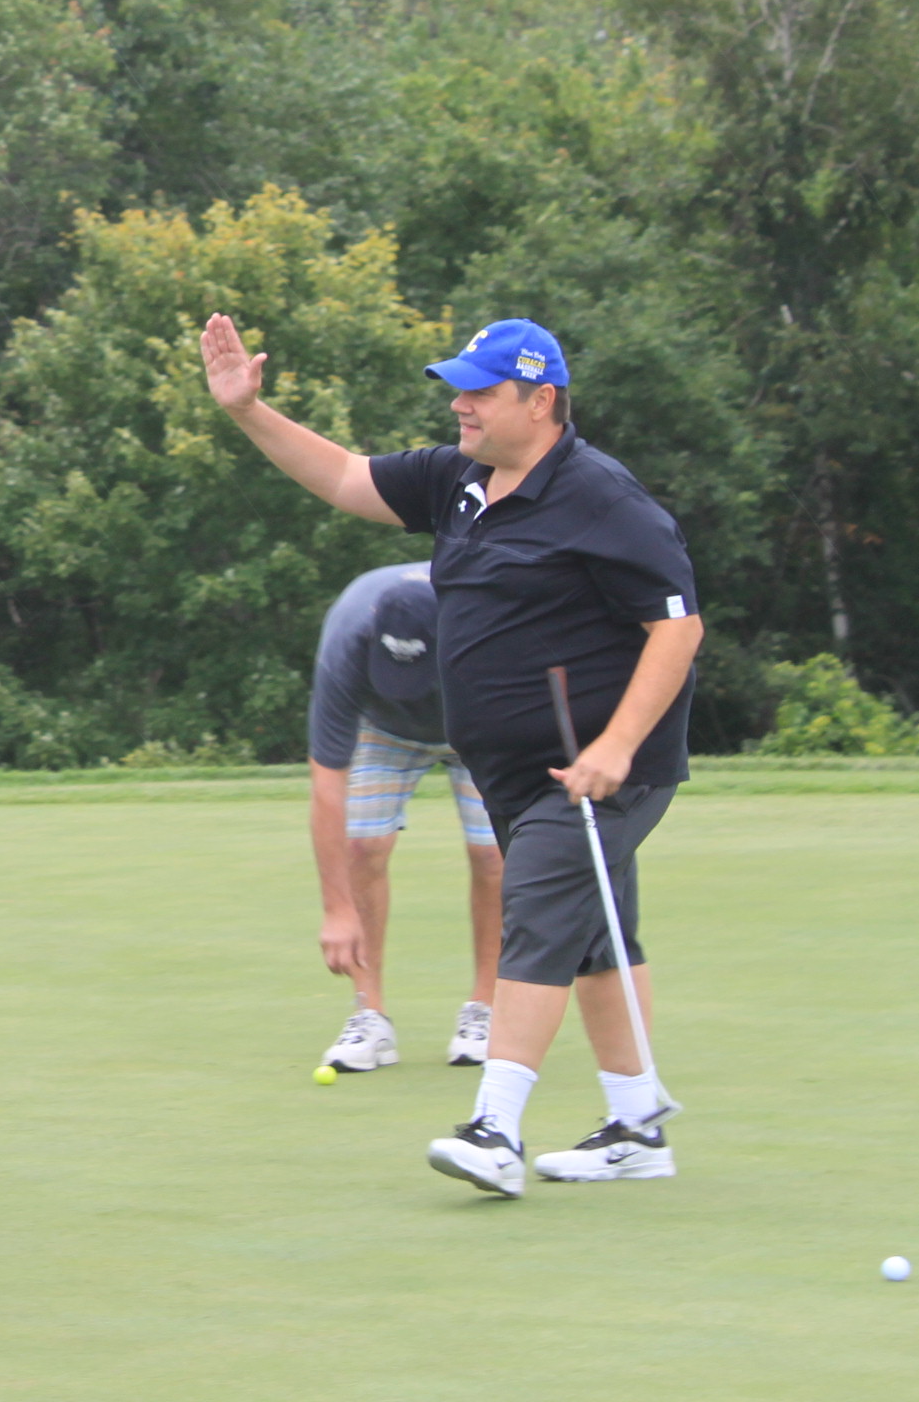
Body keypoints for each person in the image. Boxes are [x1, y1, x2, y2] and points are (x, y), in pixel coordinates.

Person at [202, 313, 701, 1197]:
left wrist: (617, 747)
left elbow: (677, 627)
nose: (459, 405)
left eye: (480, 391)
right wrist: (247, 411)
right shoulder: (457, 478)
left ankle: (494, 1129)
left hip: (593, 770)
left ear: (540, 401)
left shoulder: (602, 498)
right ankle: (637, 1127)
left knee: (537, 913)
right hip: (515, 771)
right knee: (597, 936)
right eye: (457, 390)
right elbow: (346, 476)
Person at [305, 561, 503, 1074]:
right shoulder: (348, 636)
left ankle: (485, 1010)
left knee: (493, 854)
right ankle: (368, 1016)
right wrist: (336, 910)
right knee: (363, 847)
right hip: (384, 729)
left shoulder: (492, 625)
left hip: (481, 722)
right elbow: (327, 783)